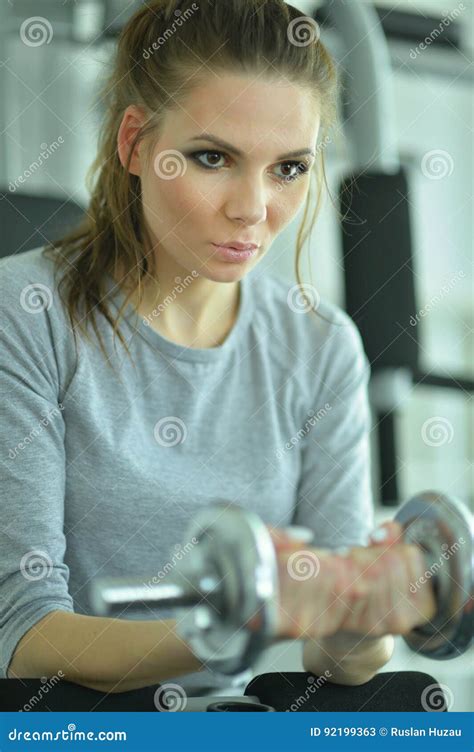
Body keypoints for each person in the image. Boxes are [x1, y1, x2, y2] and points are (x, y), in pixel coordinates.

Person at [0, 0, 435, 697]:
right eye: (213, 158)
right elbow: (25, 638)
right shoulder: (25, 315)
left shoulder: (321, 347)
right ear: (135, 143)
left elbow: (339, 657)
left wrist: (370, 611)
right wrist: (247, 623)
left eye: (289, 169)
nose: (253, 209)